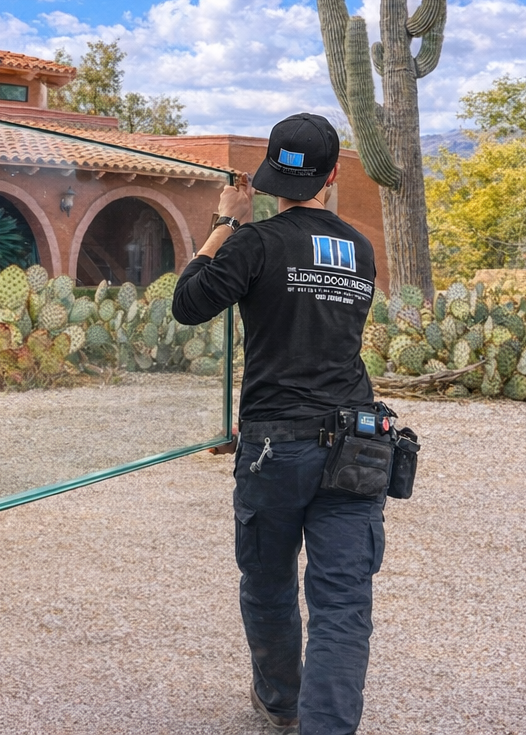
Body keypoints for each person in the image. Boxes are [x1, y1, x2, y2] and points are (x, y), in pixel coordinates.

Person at [172, 113, 382, 735]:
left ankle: (281, 704)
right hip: (356, 442)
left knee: (268, 586)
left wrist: (226, 222)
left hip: (275, 446)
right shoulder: (360, 251)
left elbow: (188, 304)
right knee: (343, 603)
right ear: (333, 173)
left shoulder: (255, 243)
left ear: (270, 176)